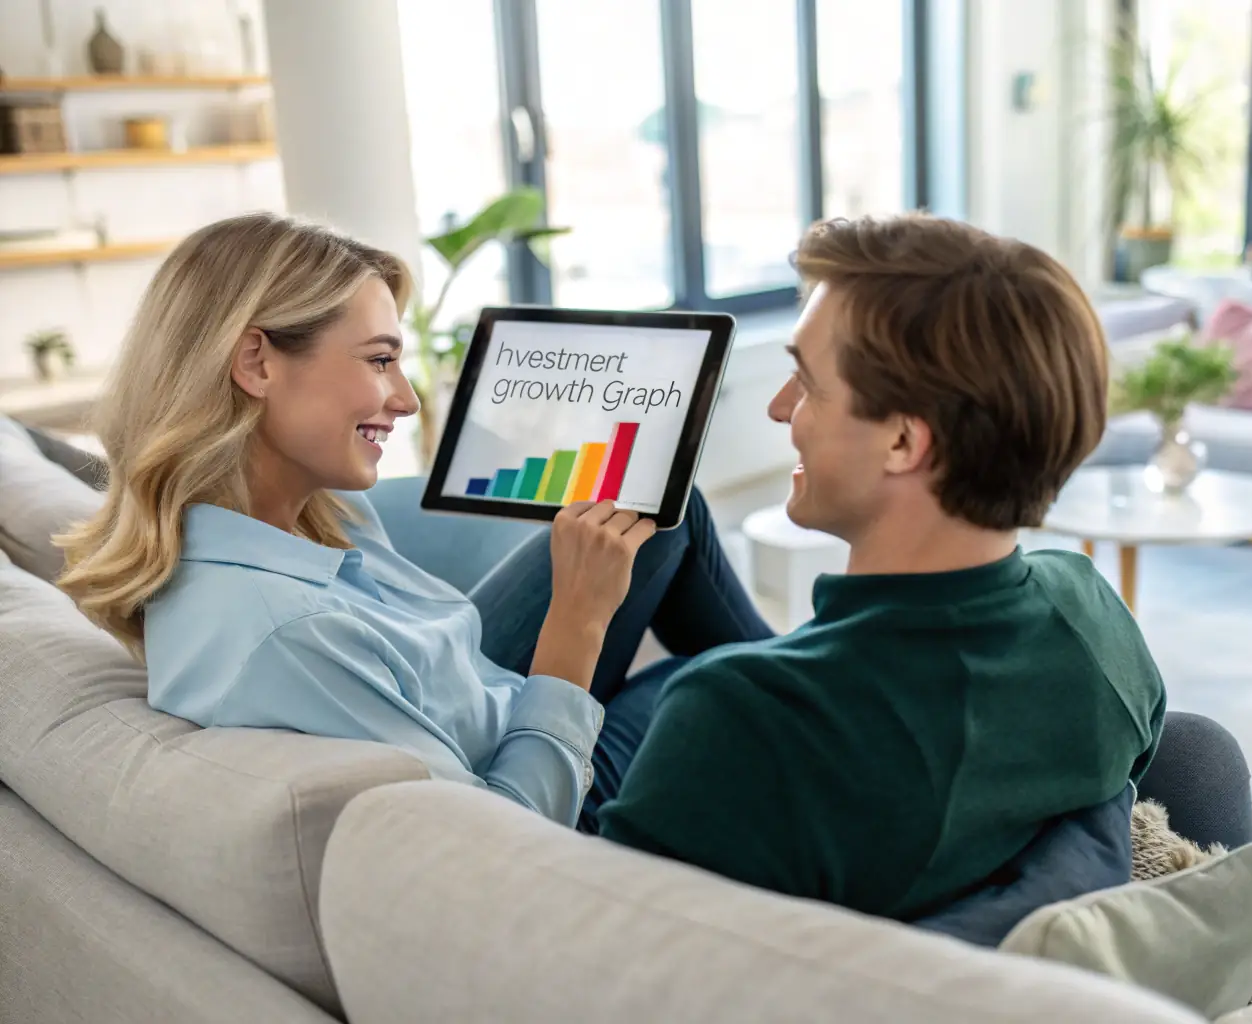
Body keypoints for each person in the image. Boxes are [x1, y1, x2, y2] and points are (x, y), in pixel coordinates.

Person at [53, 212, 773, 830]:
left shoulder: (309, 513)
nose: (406, 399)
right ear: (255, 363)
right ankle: (842, 723)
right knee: (730, 680)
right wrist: (575, 628)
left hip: (474, 690)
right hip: (540, 795)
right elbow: (505, 839)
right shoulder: (288, 636)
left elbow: (441, 656)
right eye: (378, 360)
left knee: (664, 515)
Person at [597, 213, 1168, 924]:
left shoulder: (737, 715)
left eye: (804, 381)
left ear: (901, 441)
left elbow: (603, 950)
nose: (780, 408)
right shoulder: (1091, 617)